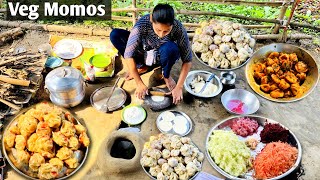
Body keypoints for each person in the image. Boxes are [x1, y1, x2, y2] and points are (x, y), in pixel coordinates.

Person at [110, 4, 192, 104]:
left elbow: (187, 60)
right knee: (115, 35)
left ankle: (165, 74)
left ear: (172, 24)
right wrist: (139, 83)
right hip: (143, 51)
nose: (161, 34)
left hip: (162, 56)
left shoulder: (178, 28)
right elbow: (129, 54)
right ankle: (141, 66)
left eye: (166, 31)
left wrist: (179, 86)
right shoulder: (143, 24)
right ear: (151, 19)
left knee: (171, 49)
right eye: (158, 30)